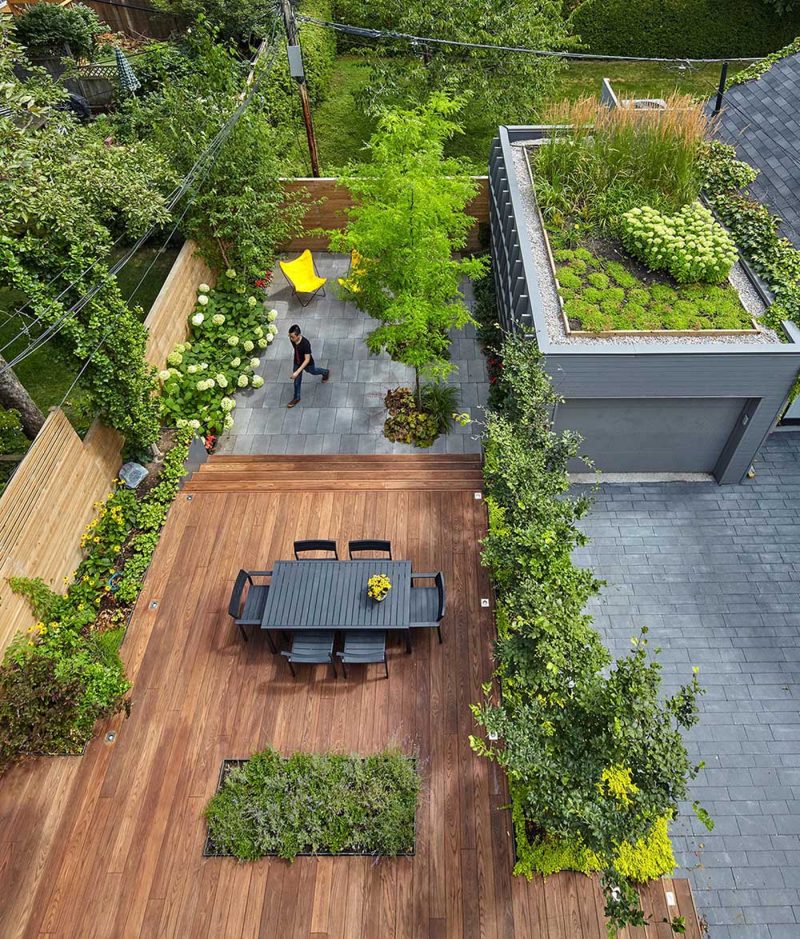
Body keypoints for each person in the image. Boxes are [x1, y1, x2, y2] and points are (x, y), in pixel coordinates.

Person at [287, 324, 329, 407]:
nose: (291, 339)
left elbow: (307, 359)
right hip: (297, 362)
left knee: (313, 371)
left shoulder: (305, 344)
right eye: (290, 336)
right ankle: (296, 397)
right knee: (296, 382)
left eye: (292, 337)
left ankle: (325, 372)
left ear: (298, 335)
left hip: (307, 364)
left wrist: (297, 372)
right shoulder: (293, 340)